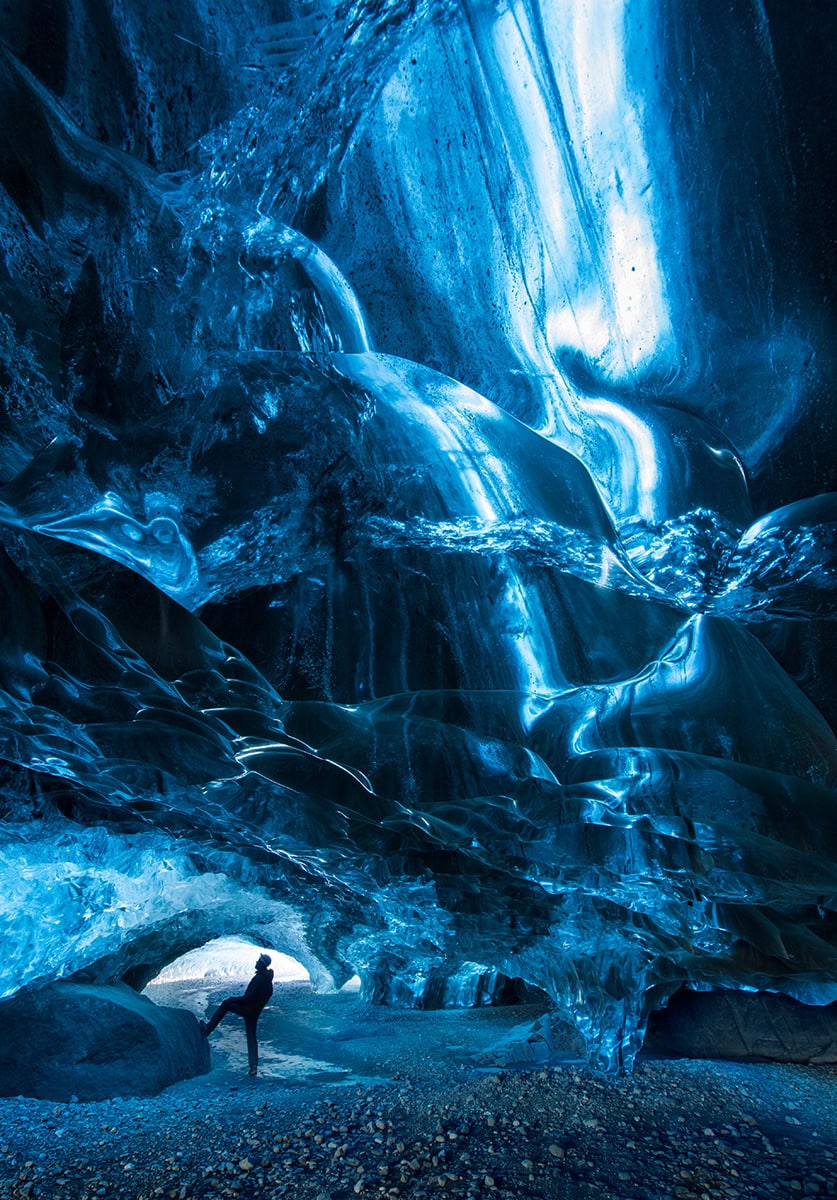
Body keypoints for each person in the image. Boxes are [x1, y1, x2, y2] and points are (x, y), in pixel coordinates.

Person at [200, 953, 274, 1075]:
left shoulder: (259, 978)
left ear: (261, 964)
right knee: (251, 1037)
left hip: (248, 1009)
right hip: (255, 1012)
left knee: (226, 1004)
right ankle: (253, 1067)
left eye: (258, 961)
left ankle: (208, 1029)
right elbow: (265, 997)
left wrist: (233, 999)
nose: (255, 962)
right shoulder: (268, 981)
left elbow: (248, 997)